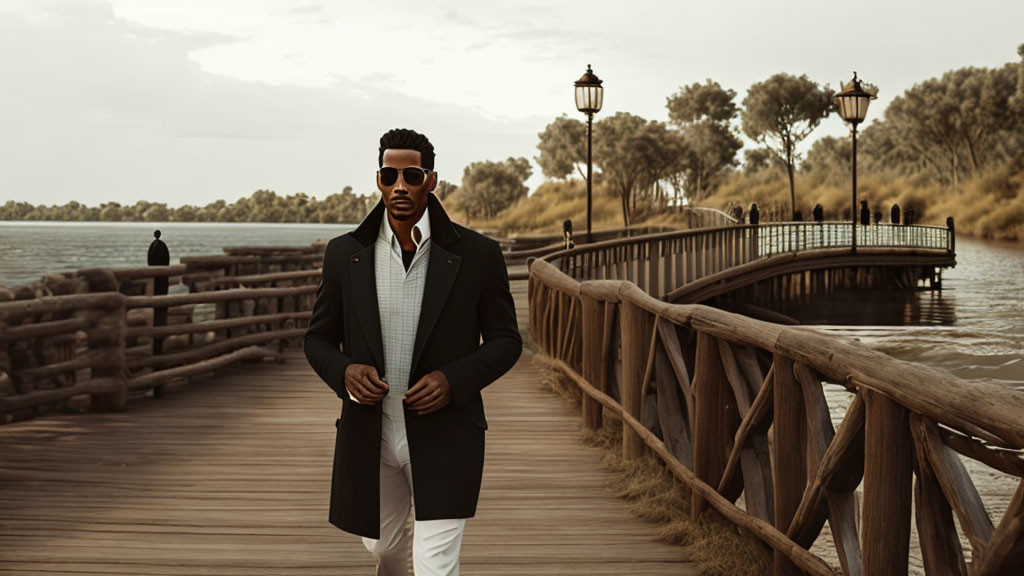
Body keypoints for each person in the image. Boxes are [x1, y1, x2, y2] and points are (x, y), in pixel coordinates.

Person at [304, 128, 523, 575]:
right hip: (370, 435)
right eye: (390, 175)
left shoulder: (479, 255)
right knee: (382, 549)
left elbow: (506, 341)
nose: (400, 185)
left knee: (435, 565)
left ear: (432, 180)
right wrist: (345, 372)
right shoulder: (345, 254)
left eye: (412, 174)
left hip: (447, 433)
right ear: (379, 180)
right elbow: (317, 340)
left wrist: (453, 380)